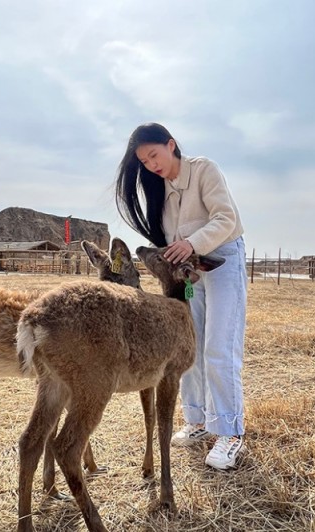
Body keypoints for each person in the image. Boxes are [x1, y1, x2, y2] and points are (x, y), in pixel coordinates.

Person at [115, 122, 247, 470]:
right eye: (144, 162)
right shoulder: (161, 192)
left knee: (219, 346)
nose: (151, 165)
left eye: (153, 155)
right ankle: (199, 420)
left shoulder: (204, 169)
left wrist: (192, 243)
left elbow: (226, 218)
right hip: (189, 273)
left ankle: (230, 433)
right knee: (189, 347)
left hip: (222, 261)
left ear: (171, 144)